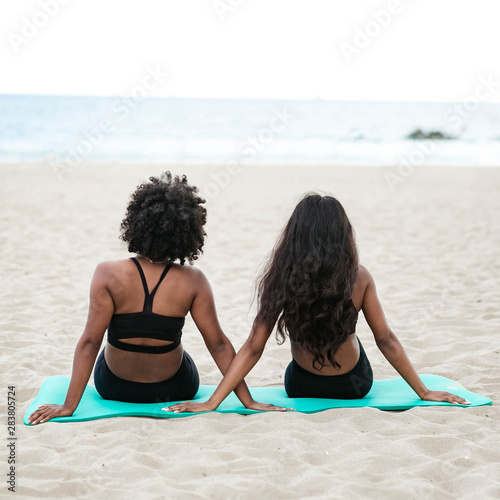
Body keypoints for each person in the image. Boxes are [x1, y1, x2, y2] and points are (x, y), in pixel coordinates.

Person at [166, 193, 470, 413]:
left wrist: (213, 402)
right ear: (342, 236)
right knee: (350, 336)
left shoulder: (282, 278)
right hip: (354, 386)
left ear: (294, 238)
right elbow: (385, 339)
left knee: (298, 356)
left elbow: (253, 347)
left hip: (301, 385)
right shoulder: (359, 277)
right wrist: (423, 391)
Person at [28, 172, 285, 425]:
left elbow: (90, 342)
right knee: (179, 350)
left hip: (115, 387)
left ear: (137, 221)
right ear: (189, 231)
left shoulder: (107, 273)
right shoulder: (194, 280)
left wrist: (69, 405)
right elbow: (218, 344)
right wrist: (247, 401)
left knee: (106, 348)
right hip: (176, 387)